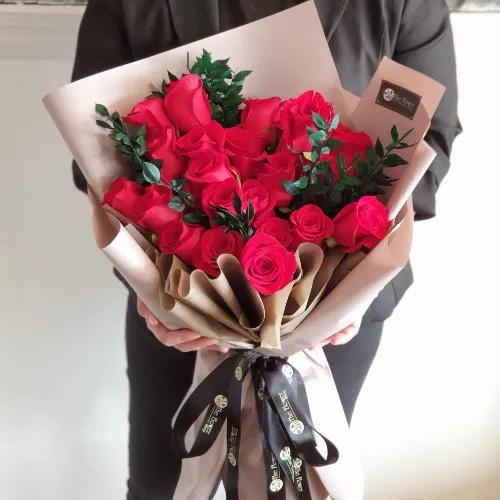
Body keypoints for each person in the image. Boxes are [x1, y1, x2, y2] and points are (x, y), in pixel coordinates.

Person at [71, 1, 461, 498]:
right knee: (158, 486)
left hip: (335, 323)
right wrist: (155, 293)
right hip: (175, 309)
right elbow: (94, 154)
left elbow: (433, 139)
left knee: (302, 487)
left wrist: (352, 286)